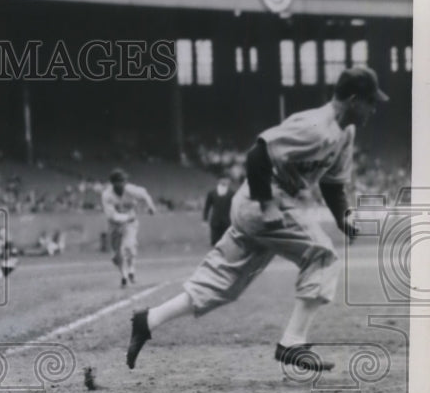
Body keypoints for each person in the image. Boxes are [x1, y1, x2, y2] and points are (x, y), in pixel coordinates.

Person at [127, 65, 386, 373]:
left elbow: (332, 183)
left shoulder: (346, 133)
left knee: (222, 282)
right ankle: (292, 343)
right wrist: (267, 205)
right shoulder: (315, 126)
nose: (373, 109)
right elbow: (257, 154)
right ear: (354, 100)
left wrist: (343, 217)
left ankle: (148, 320)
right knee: (323, 255)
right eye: (370, 102)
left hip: (261, 203)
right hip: (262, 200)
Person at [101, 169, 157, 288]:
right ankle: (123, 274)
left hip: (130, 224)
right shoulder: (107, 195)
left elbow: (144, 195)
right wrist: (127, 217)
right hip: (114, 225)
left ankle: (129, 272)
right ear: (113, 183)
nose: (122, 184)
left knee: (129, 246)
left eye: (123, 181)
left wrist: (151, 206)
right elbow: (111, 215)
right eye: (119, 181)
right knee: (117, 254)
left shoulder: (130, 190)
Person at [203, 175, 235, 246]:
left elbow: (235, 207)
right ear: (219, 180)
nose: (226, 181)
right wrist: (205, 218)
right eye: (224, 179)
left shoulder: (232, 193)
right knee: (215, 242)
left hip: (227, 221)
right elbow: (207, 207)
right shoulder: (212, 193)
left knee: (226, 242)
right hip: (215, 221)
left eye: (227, 179)